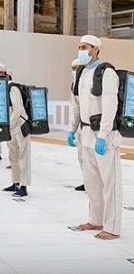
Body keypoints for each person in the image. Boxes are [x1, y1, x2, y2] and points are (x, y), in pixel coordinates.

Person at [68, 35, 122, 240]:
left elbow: (110, 106)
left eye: (85, 47)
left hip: (104, 137)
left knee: (110, 184)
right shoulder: (80, 73)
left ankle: (112, 227)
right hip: (86, 135)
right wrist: (72, 129)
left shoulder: (107, 72)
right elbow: (76, 105)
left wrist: (103, 135)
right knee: (92, 183)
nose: (81, 50)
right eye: (79, 46)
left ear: (96, 49)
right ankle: (96, 219)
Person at [0, 63, 31, 197]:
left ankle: (24, 186)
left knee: (23, 157)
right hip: (11, 127)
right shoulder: (1, 89)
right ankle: (15, 182)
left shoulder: (12, 88)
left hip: (20, 126)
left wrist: (8, 126)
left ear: (5, 75)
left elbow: (18, 109)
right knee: (13, 156)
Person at [71, 58, 85, 191]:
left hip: (91, 126)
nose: (74, 71)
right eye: (72, 69)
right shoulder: (74, 84)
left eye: (76, 68)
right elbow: (75, 108)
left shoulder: (89, 82)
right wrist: (72, 130)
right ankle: (86, 181)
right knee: (81, 156)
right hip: (81, 126)